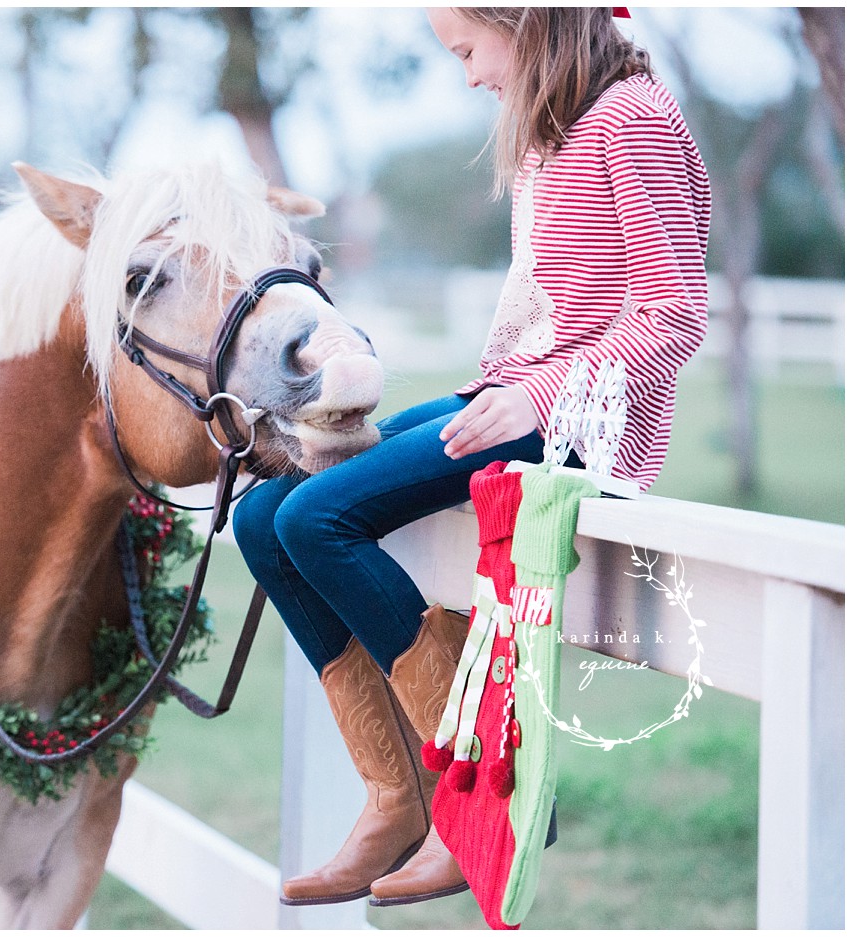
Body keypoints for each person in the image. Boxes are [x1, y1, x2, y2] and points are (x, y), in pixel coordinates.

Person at [233, 7, 710, 908]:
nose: (468, 77)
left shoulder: (632, 117)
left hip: (583, 421)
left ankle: (482, 783)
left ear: (521, 21)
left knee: (315, 515)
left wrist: (533, 397)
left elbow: (672, 313)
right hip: (515, 394)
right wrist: (511, 389)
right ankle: (395, 793)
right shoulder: (559, 125)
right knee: (262, 516)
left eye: (466, 50)